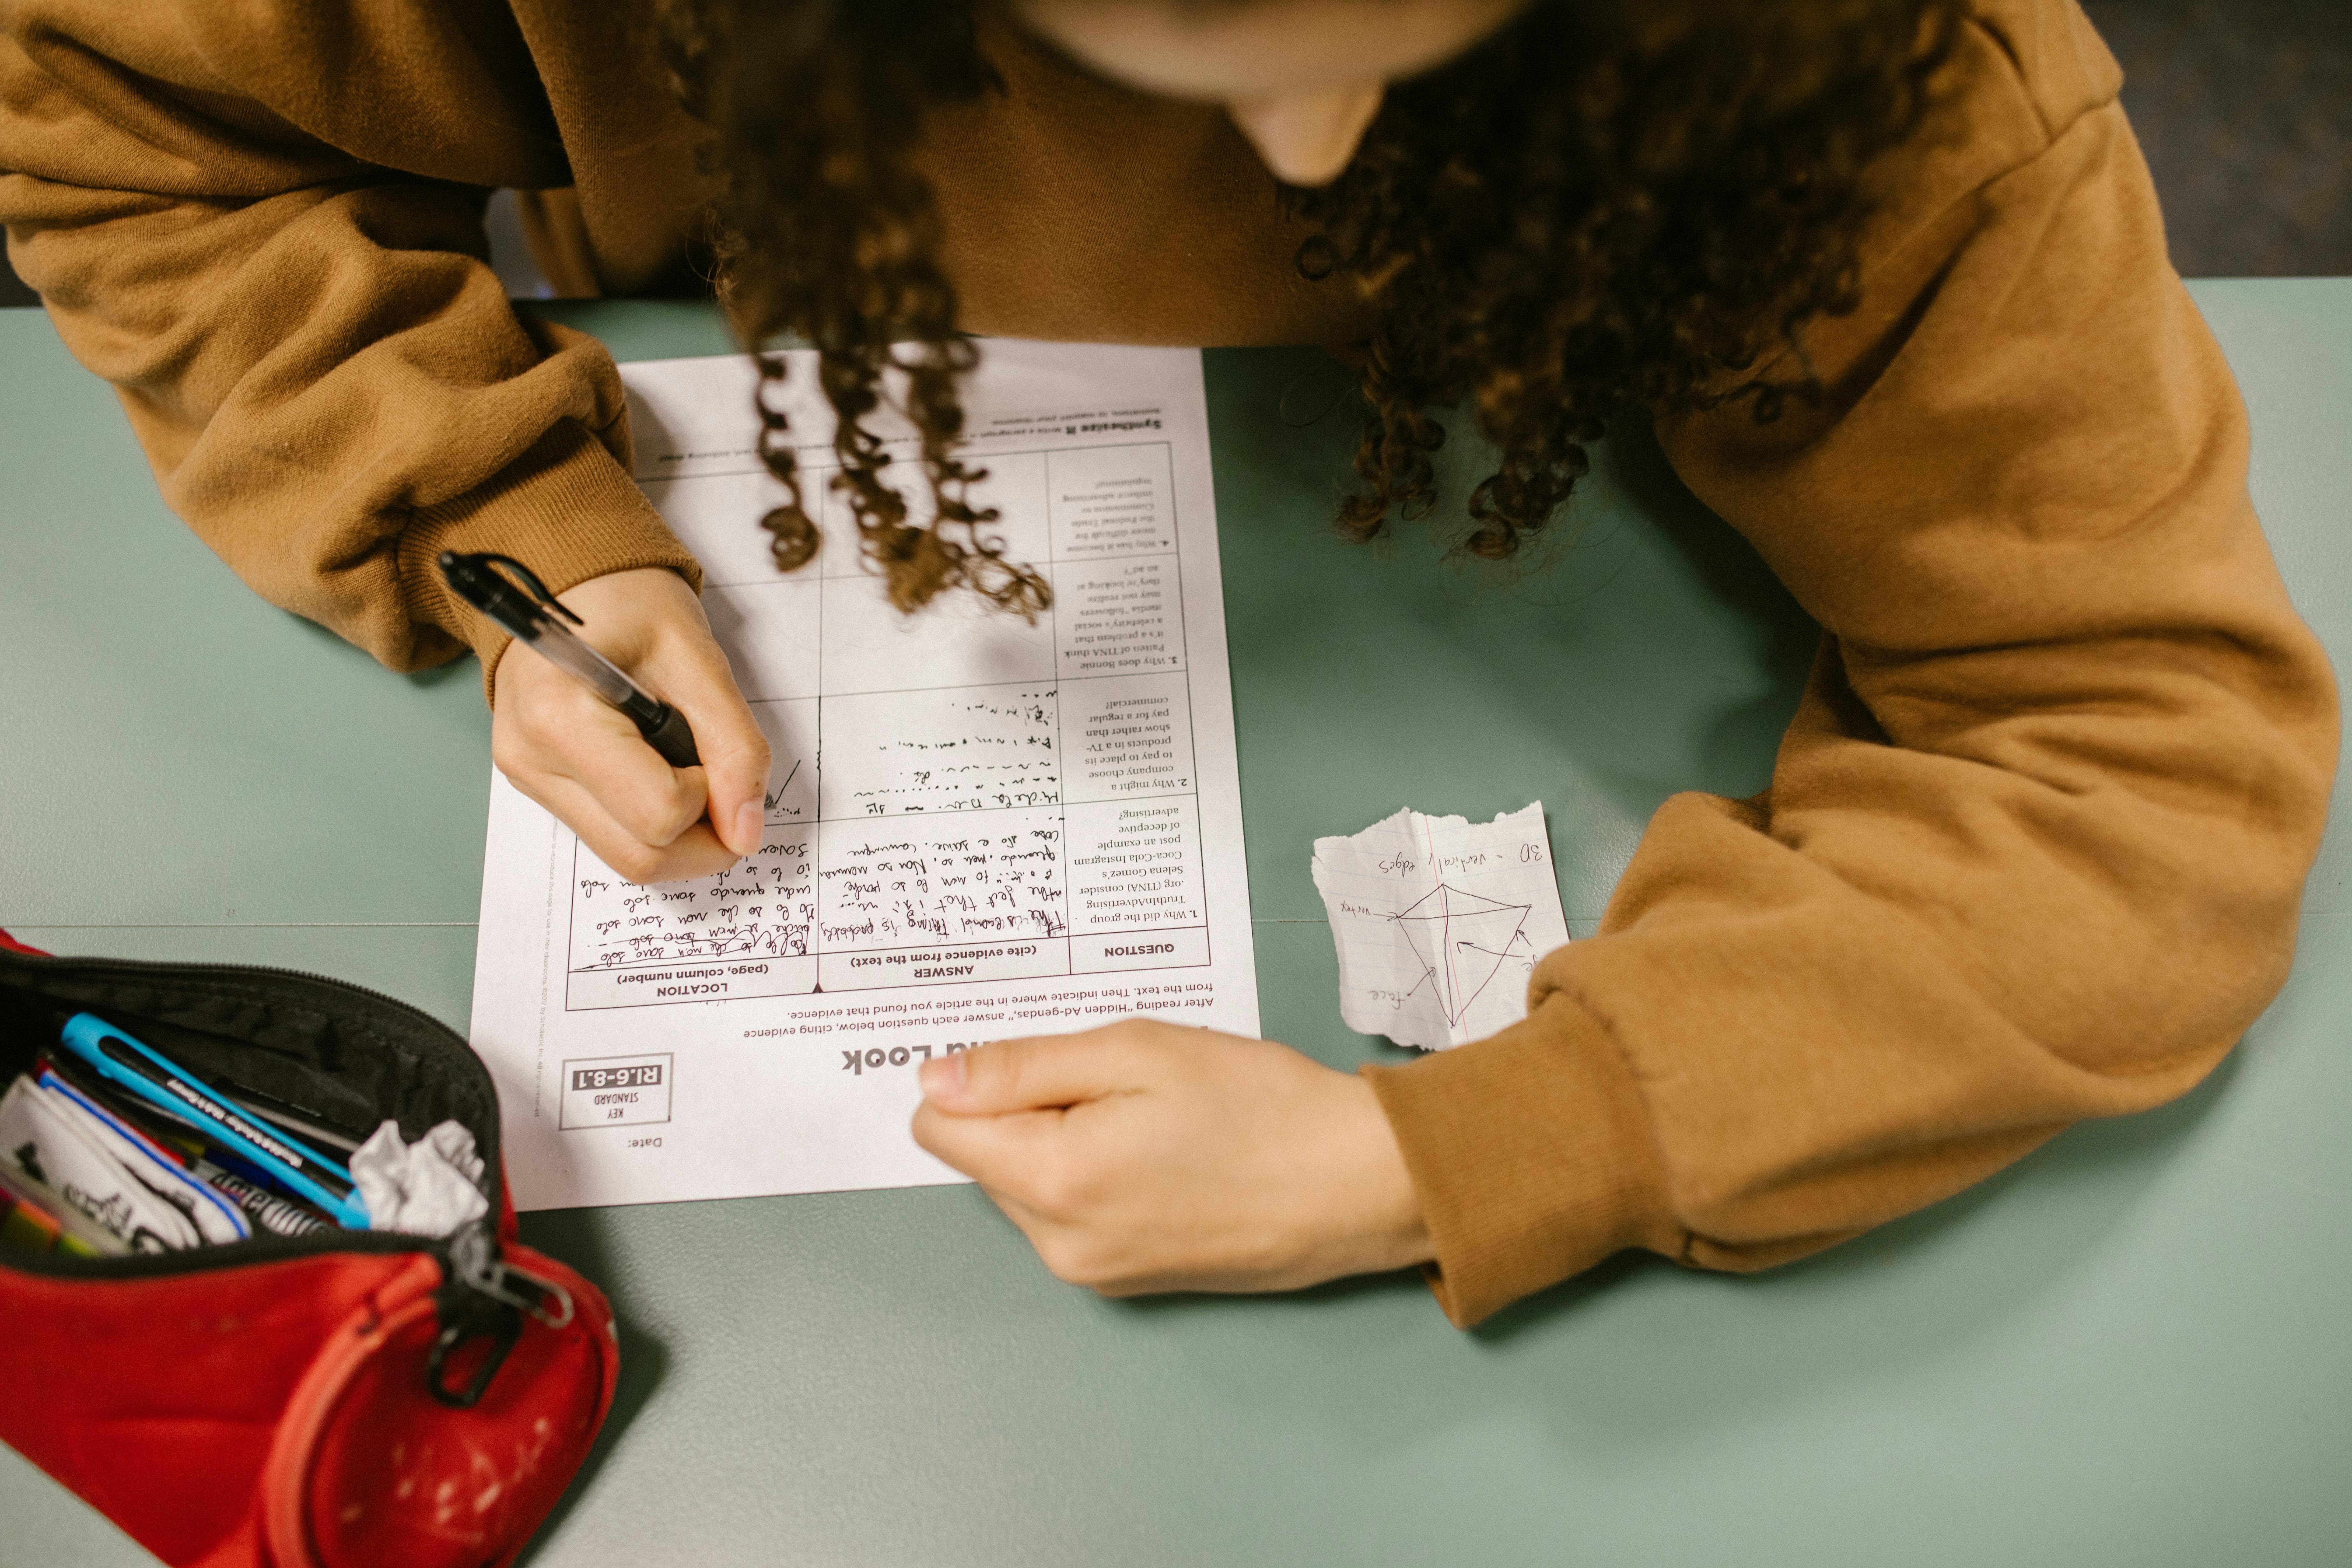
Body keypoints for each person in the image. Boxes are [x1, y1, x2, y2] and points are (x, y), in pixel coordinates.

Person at [0, 0, 2332, 1326]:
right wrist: (492, 515)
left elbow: (2147, 758)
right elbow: (116, 126)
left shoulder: (1884, 69)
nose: (1317, 153)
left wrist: (1453, 1150)